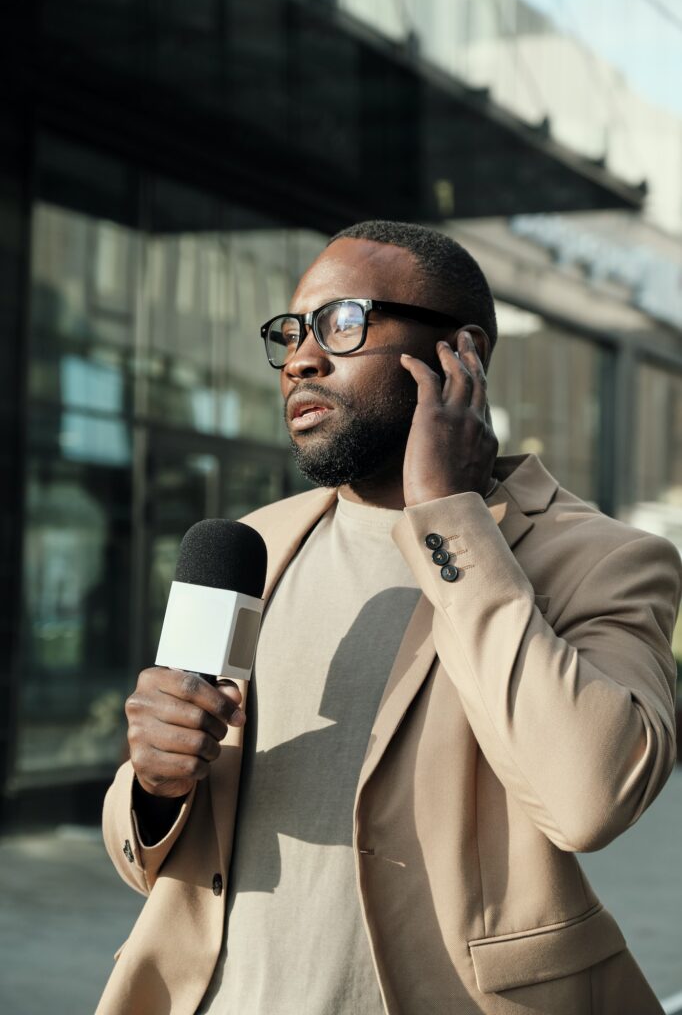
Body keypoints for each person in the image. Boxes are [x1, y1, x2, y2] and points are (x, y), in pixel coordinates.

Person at [97, 221, 681, 1015]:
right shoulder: (253, 544)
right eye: (292, 331)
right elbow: (146, 854)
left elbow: (589, 797)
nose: (302, 356)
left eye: (343, 323)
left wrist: (451, 515)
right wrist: (156, 784)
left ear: (459, 354)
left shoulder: (604, 559)